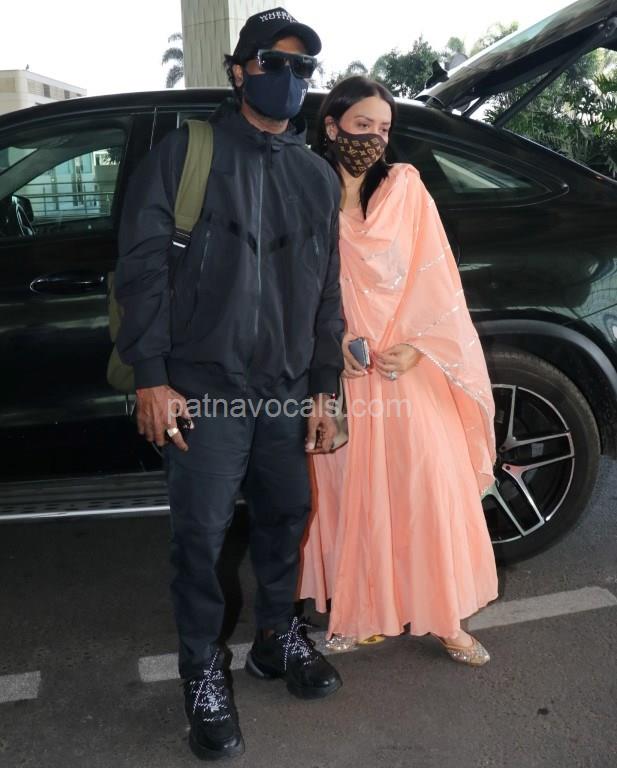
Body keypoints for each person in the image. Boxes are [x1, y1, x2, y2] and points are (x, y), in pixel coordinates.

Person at [114, 8, 344, 761]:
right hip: (201, 387)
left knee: (286, 515)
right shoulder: (186, 154)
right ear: (239, 71)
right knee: (201, 537)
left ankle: (277, 638)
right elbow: (142, 274)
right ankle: (202, 673)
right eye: (273, 63)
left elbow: (326, 293)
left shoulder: (316, 177)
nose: (289, 78)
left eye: (302, 68)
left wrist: (324, 390)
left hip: (284, 388)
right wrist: (152, 378)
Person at [300, 76, 499, 665]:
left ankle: (444, 618)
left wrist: (416, 345)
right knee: (349, 496)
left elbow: (436, 280)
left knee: (425, 491)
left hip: (406, 369)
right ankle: (358, 610)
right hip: (341, 376)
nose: (374, 139)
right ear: (332, 126)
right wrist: (331, 342)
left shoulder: (406, 188)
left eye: (383, 129)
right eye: (362, 126)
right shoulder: (304, 190)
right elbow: (290, 286)